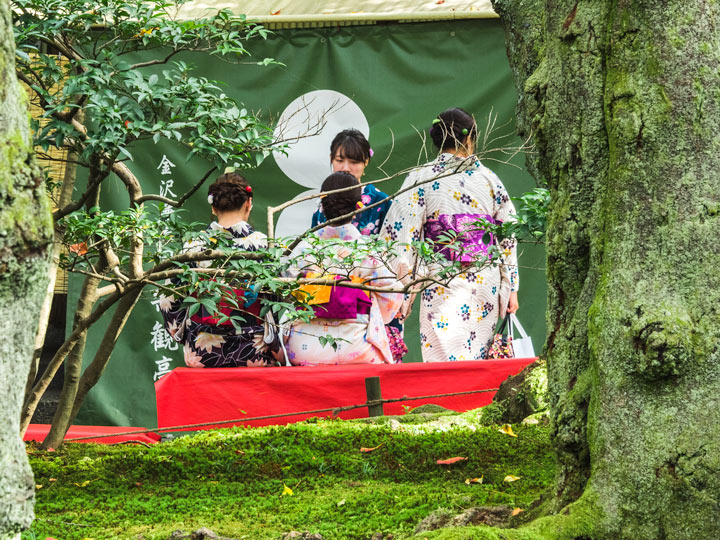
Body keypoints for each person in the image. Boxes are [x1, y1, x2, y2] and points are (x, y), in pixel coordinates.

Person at [381, 108, 520, 362]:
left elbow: (401, 237)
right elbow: (508, 234)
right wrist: (510, 285)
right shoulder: (489, 179)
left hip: (440, 281)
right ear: (469, 139)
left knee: (442, 362)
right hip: (483, 281)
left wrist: (400, 289)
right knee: (478, 361)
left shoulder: (421, 178)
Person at [158, 172, 284, 368]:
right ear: (249, 203)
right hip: (254, 351)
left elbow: (169, 300)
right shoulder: (263, 246)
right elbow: (278, 300)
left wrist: (187, 337)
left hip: (203, 352)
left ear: (213, 207)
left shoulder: (194, 247)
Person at [285, 172, 403, 365]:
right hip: (356, 346)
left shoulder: (303, 249)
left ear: (322, 206)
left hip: (304, 348)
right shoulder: (366, 251)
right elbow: (392, 294)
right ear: (358, 207)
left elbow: (285, 292)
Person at [311, 129, 390, 236]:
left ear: (366, 162)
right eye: (339, 160)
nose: (346, 168)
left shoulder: (382, 202)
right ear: (331, 159)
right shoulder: (324, 199)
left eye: (354, 162)